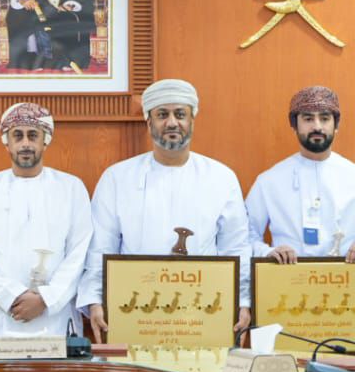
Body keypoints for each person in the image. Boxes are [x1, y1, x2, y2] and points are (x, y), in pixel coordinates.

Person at [78, 79, 252, 343]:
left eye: (180, 114)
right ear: (149, 122)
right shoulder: (117, 178)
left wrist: (243, 300)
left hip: (203, 313)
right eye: (162, 115)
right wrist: (95, 299)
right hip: (136, 312)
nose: (172, 123)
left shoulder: (221, 177)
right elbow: (100, 247)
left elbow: (236, 247)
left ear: (192, 120)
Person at [0, 103, 92, 345]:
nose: (25, 144)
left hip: (55, 318)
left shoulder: (71, 188)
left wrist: (46, 298)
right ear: (7, 142)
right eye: (17, 136)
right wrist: (11, 295)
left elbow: (80, 252)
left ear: (45, 141)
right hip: (0, 317)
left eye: (33, 136)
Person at [245, 85, 355, 263]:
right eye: (308, 119)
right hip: (287, 275)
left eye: (324, 118)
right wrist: (268, 252)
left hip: (346, 275)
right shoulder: (269, 181)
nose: (317, 126)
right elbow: (246, 233)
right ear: (294, 125)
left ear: (336, 125)